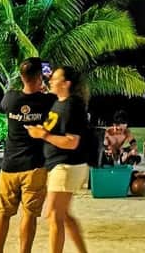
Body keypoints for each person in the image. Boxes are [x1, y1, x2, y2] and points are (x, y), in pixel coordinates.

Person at [0, 58, 57, 253]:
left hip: (9, 166)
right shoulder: (48, 101)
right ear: (40, 77)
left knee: (3, 213)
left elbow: (4, 107)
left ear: (21, 77)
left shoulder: (10, 98)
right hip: (34, 166)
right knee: (29, 214)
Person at [26, 66, 90, 253]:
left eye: (55, 78)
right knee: (63, 216)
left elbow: (72, 142)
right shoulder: (59, 103)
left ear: (66, 83)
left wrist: (43, 135)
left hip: (66, 167)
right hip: (59, 166)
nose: (50, 81)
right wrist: (40, 131)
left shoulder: (71, 106)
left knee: (54, 215)